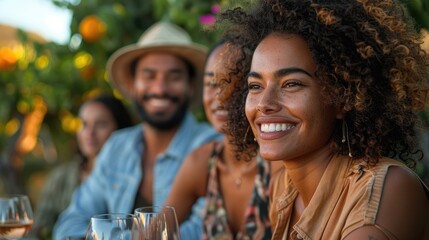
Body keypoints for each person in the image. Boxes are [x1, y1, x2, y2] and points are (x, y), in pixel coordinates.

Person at [217, 0, 429, 239]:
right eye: (255, 85)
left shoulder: (388, 188)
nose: (264, 103)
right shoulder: (283, 188)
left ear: (343, 97)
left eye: (292, 84)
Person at [53, 21, 221, 239]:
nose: (160, 88)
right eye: (149, 76)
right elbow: (70, 223)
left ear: (190, 85)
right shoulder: (117, 146)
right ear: (133, 85)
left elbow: (205, 230)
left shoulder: (212, 145)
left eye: (174, 76)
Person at [164, 41, 282, 239]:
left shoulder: (280, 166)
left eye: (236, 84)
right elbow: (158, 231)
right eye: (211, 83)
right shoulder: (202, 162)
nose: (221, 97)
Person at [31, 94, 133, 239]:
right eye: (84, 124)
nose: (90, 133)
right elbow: (40, 229)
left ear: (121, 129)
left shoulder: (133, 176)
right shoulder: (61, 177)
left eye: (101, 124)